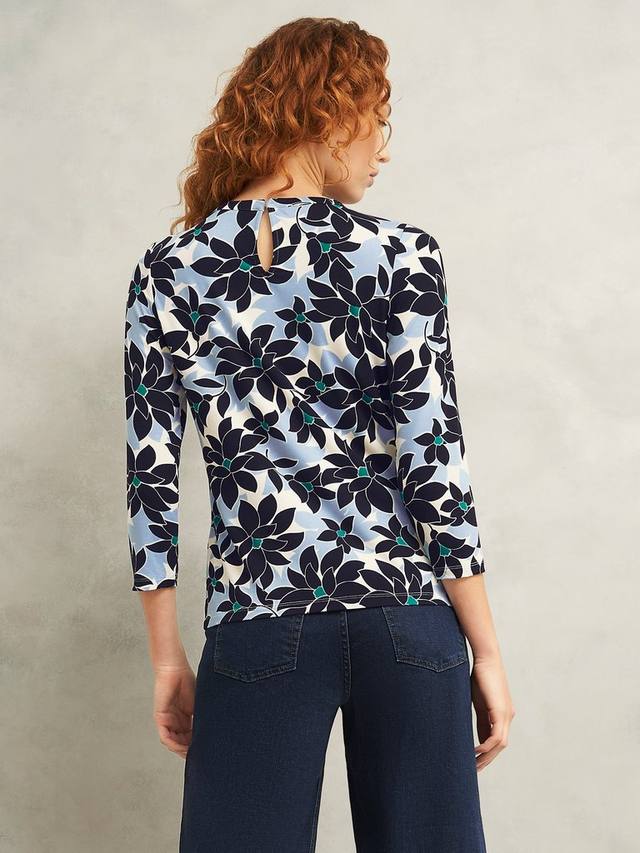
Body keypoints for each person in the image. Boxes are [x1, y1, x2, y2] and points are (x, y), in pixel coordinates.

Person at [124, 16, 515, 853]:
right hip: (406, 611)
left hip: (258, 614)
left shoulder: (169, 269)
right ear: (327, 114)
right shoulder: (403, 255)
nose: (384, 149)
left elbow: (150, 483)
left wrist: (167, 659)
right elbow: (435, 461)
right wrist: (486, 650)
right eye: (378, 119)